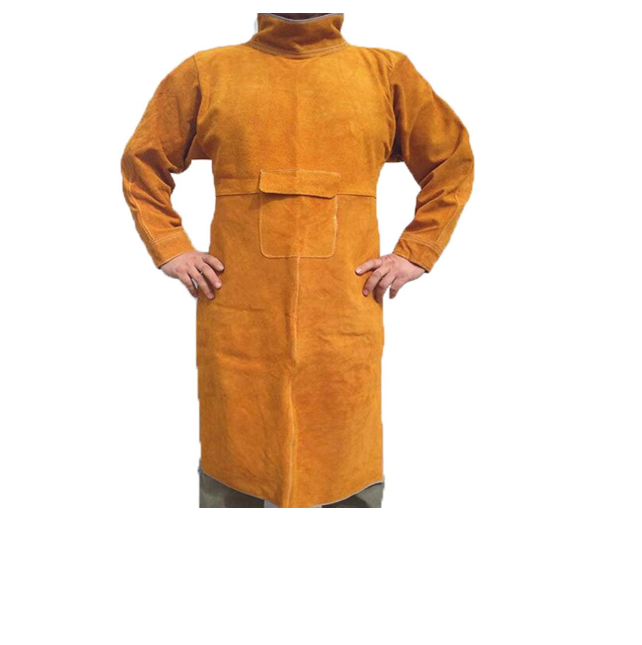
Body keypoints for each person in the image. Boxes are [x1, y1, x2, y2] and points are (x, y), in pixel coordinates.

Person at [120, 13, 474, 508]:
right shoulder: (209, 72)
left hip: (343, 312)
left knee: (347, 466)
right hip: (241, 313)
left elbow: (451, 161)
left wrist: (416, 251)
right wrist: (171, 247)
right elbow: (143, 162)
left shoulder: (386, 73)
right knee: (234, 468)